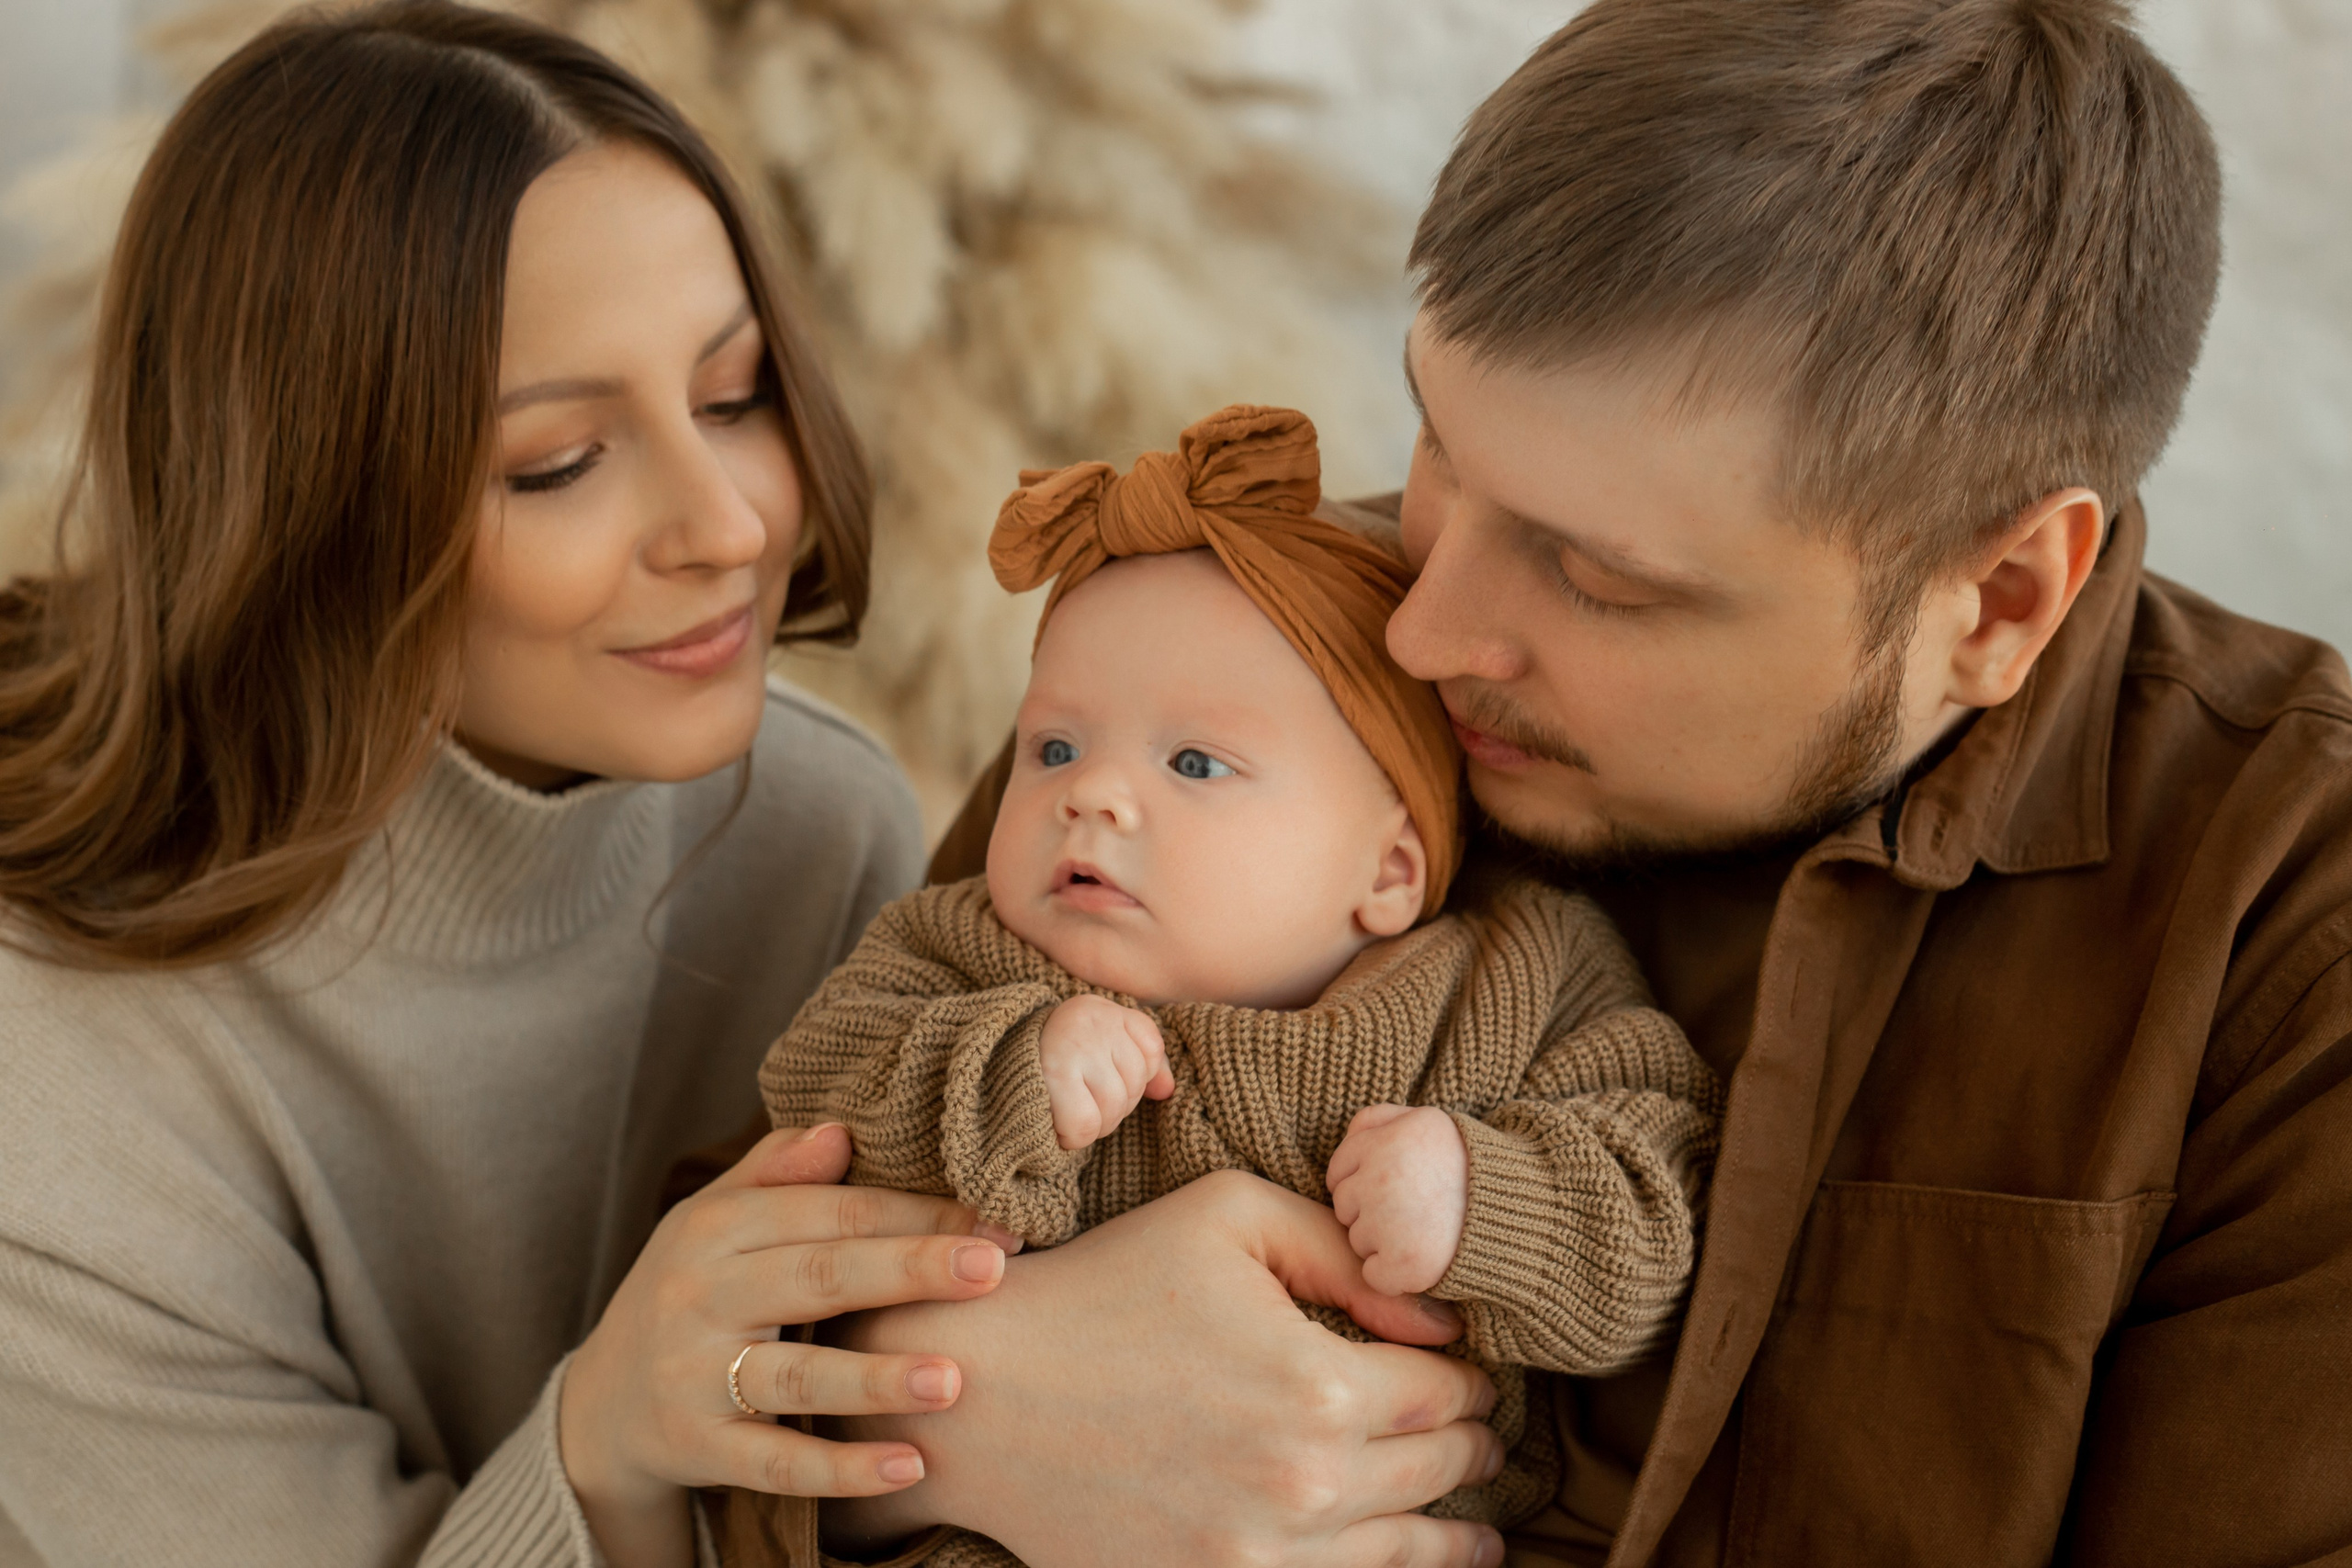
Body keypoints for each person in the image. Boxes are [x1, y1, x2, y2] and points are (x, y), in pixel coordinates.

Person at [830, 1, 2352, 1564]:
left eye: (1595, 573)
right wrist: (944, 1411)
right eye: (1440, 445)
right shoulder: (1250, 649)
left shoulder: (2291, 922)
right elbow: (736, 1310)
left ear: (2006, 598)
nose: (1426, 627)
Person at [0, 7, 1508, 1568]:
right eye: (556, 462)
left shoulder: (808, 817)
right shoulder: (47, 1075)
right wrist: (616, 1431)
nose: (725, 520)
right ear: (298, 503)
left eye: (733, 397)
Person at [748, 405, 1722, 1564]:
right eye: (1054, 747)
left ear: (1387, 870)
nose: (1091, 796)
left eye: (1195, 763)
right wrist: (1008, 1068)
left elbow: (1656, 1208)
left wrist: (1481, 1197)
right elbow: (812, 1091)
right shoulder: (959, 954)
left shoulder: (1511, 981)